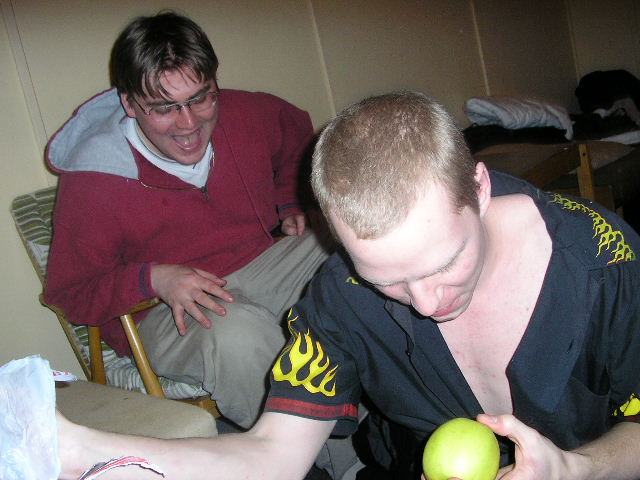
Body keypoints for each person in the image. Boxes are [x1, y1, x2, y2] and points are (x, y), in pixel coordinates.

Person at [44, 91, 640, 479]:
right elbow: (272, 455)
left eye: (443, 265)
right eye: (389, 282)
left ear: (479, 189)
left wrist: (578, 468)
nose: (426, 304)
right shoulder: (341, 293)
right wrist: (80, 451)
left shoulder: (602, 261)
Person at [43, 11, 333, 431]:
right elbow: (70, 293)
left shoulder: (246, 113)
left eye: (200, 98)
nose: (189, 123)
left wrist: (292, 201)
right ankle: (324, 455)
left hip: (260, 266)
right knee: (239, 334)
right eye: (164, 108)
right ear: (129, 103)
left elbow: (299, 137)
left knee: (351, 240)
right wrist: (150, 278)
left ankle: (391, 410)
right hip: (164, 310)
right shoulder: (93, 180)